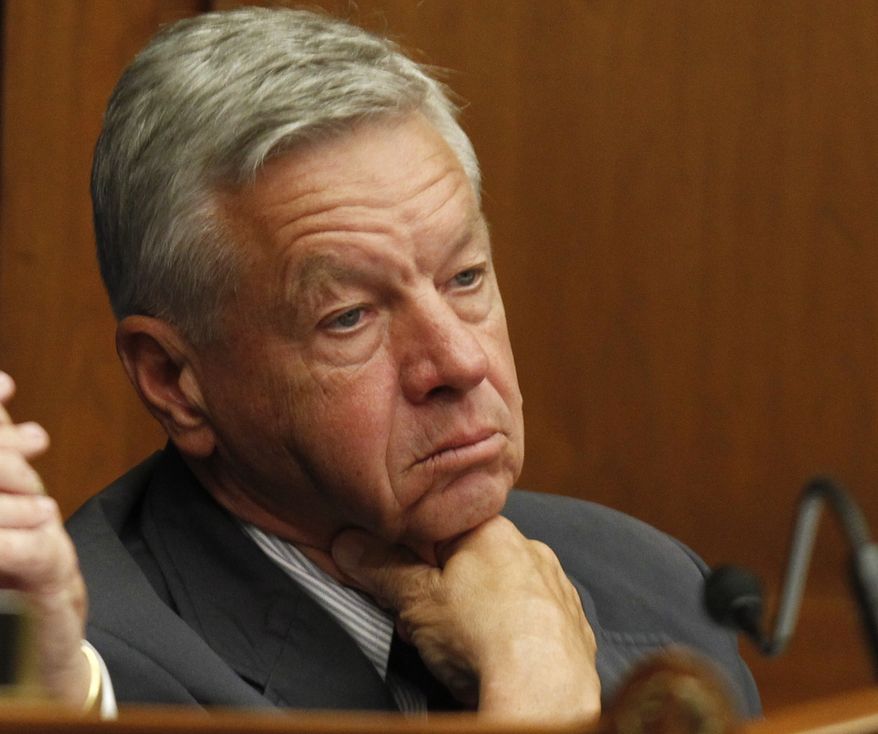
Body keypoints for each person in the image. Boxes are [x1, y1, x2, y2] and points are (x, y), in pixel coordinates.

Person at [0, 6, 759, 722]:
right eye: (349, 318)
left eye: (465, 278)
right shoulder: (84, 676)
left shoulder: (658, 586)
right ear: (177, 384)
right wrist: (538, 686)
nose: (460, 361)